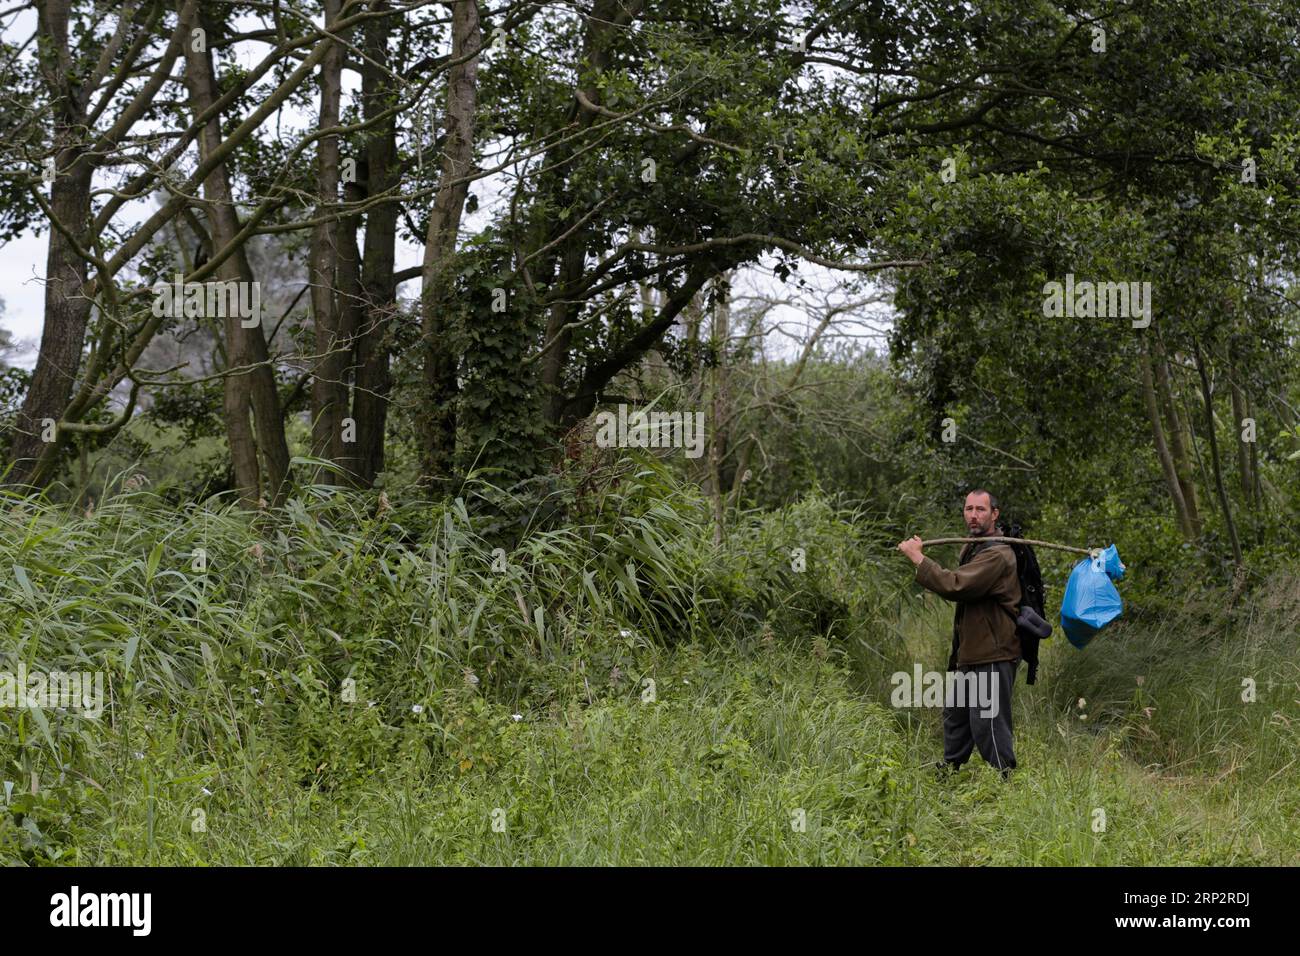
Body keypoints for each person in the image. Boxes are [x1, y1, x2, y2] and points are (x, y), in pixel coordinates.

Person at [896, 489, 1022, 777]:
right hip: (973, 651)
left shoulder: (997, 554)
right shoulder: (975, 546)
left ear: (995, 514)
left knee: (988, 721)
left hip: (994, 651)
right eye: (969, 509)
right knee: (956, 715)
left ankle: (1005, 780)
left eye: (980, 509)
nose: (973, 515)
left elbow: (955, 585)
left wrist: (919, 559)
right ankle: (950, 771)